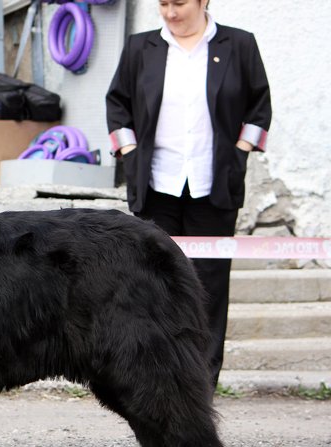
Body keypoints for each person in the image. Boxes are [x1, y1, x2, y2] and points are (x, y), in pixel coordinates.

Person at [105, 0, 271, 387]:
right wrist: (130, 152)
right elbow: (117, 105)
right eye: (163, 3)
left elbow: (259, 108)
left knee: (209, 289)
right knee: (155, 287)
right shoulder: (140, 47)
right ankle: (158, 382)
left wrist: (239, 152)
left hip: (214, 187)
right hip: (156, 186)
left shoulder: (239, 45)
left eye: (179, 3)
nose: (170, 12)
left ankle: (202, 385)